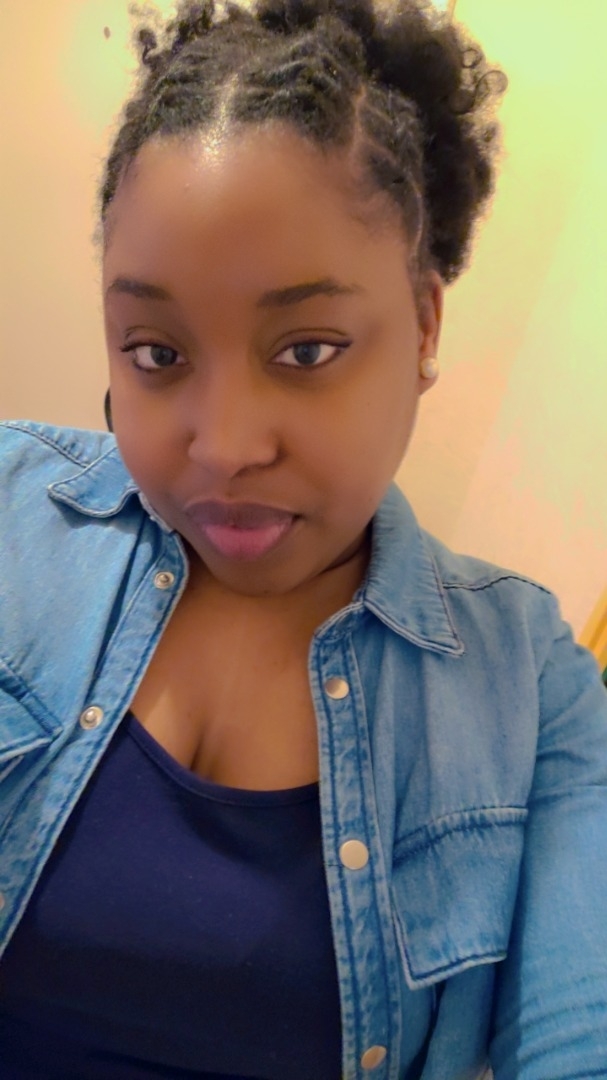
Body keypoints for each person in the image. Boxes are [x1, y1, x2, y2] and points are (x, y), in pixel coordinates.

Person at [1, 0, 606, 1076]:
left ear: (422, 326)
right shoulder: (11, 515)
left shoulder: (529, 687)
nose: (225, 448)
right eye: (156, 353)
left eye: (308, 349)